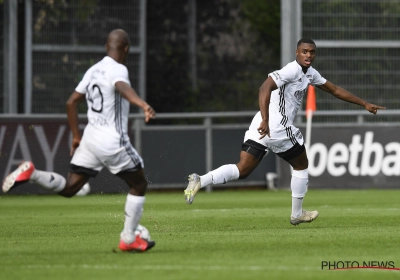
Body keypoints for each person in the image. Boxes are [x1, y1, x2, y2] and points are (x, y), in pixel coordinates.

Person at [184, 38, 386, 225]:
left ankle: (200, 179)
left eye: (312, 52)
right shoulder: (291, 70)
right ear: (297, 53)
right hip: (275, 124)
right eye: (304, 51)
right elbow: (264, 88)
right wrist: (265, 119)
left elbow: (334, 89)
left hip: (263, 124)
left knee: (243, 169)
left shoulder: (310, 73)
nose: (308, 55)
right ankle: (297, 214)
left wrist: (364, 103)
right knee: (302, 164)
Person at [2, 29, 156, 251]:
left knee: (70, 188)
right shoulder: (119, 69)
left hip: (90, 139)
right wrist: (142, 104)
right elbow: (122, 87)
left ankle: (33, 173)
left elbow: (71, 102)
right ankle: (129, 239)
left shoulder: (93, 70)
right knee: (139, 183)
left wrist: (76, 135)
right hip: (112, 140)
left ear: (106, 47)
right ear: (126, 49)